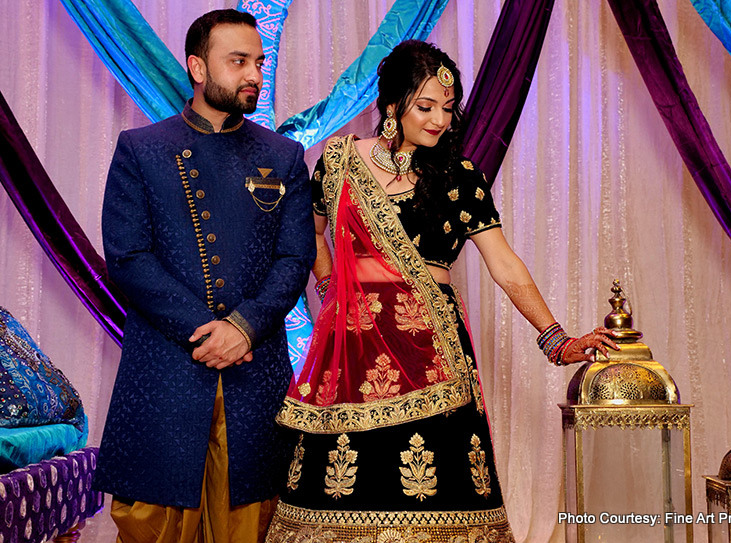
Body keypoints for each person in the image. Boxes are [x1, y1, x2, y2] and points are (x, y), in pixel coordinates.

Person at [265, 40, 617, 543]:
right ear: (392, 105)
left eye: (447, 110)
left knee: (436, 480)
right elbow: (310, 231)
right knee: (350, 479)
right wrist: (330, 285)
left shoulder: (459, 176)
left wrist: (555, 338)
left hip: (430, 344)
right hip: (355, 343)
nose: (438, 121)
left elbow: (505, 264)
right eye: (425, 107)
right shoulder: (339, 161)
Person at [94, 9, 316, 543]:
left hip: (253, 373)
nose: (254, 75)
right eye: (237, 61)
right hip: (165, 372)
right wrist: (208, 329)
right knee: (152, 524)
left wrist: (243, 327)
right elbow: (127, 256)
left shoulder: (283, 156)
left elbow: (295, 258)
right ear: (197, 67)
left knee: (251, 524)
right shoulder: (142, 148)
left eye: (258, 62)